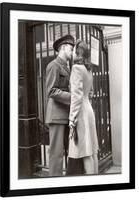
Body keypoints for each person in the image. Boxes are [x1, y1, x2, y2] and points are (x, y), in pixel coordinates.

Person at [45, 34, 75, 176]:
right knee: (56, 155)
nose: (72, 52)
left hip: (65, 115)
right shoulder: (53, 66)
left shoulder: (67, 67)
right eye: (70, 49)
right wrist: (73, 97)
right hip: (56, 116)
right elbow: (51, 91)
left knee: (70, 152)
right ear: (62, 48)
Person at [68, 40, 99, 174]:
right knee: (92, 150)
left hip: (81, 112)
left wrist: (72, 118)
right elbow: (90, 93)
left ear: (78, 52)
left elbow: (76, 96)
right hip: (88, 110)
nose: (73, 53)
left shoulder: (76, 69)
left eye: (74, 50)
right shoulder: (88, 69)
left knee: (85, 152)